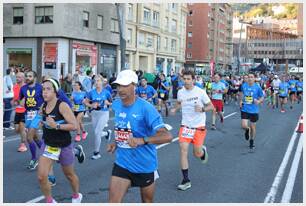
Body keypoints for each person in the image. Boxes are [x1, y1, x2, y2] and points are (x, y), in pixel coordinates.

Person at [107, 70, 172, 203]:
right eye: (118, 85)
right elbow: (123, 126)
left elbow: (167, 136)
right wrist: (116, 142)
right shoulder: (117, 104)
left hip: (144, 165)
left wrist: (142, 140)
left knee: (147, 202)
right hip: (122, 164)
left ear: (134, 86)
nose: (120, 89)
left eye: (125, 85)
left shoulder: (146, 108)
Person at [37, 78, 82, 203]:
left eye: (48, 89)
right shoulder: (44, 106)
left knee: (69, 175)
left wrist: (56, 126)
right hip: (49, 145)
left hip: (63, 145)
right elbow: (45, 121)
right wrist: (42, 123)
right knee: (42, 177)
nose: (44, 92)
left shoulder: (62, 105)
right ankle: (50, 202)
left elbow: (74, 126)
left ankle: (76, 196)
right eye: (43, 89)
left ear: (55, 91)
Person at [170, 70, 214, 191]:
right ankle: (186, 180)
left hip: (199, 126)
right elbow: (179, 103)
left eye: (189, 79)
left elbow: (211, 106)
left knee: (196, 153)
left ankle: (202, 152)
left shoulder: (200, 92)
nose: (186, 81)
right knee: (183, 151)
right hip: (185, 126)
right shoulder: (180, 92)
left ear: (193, 80)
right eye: (184, 79)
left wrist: (203, 109)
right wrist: (175, 109)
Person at [19, 71, 45, 170]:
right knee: (36, 138)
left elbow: (46, 99)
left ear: (35, 78)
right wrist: (21, 101)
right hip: (28, 115)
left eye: (30, 76)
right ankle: (47, 153)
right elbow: (20, 102)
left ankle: (34, 159)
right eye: (26, 76)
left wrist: (42, 109)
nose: (27, 78)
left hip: (37, 114)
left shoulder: (40, 87)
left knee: (29, 137)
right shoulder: (23, 88)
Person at [84, 75, 112, 160]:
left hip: (104, 113)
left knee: (96, 132)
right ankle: (107, 133)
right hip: (94, 113)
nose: (97, 83)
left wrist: (107, 103)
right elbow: (85, 102)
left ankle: (96, 153)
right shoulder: (91, 92)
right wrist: (91, 105)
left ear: (102, 82)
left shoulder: (106, 92)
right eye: (95, 81)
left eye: (98, 81)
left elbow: (112, 102)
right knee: (97, 133)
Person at [240, 73, 264, 149]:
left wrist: (259, 101)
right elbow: (241, 94)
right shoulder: (244, 85)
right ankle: (247, 129)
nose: (250, 79)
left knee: (253, 127)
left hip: (254, 110)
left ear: (254, 78)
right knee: (244, 125)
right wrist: (240, 100)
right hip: (245, 109)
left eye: (251, 77)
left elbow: (262, 96)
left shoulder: (257, 87)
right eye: (249, 77)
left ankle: (252, 141)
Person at [13, 71, 27, 152]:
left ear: (23, 78)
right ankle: (25, 130)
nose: (17, 78)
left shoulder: (26, 87)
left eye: (19, 77)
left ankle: (23, 145)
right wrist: (13, 101)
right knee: (17, 129)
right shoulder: (14, 87)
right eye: (17, 77)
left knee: (21, 127)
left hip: (25, 111)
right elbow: (14, 98)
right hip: (17, 110)